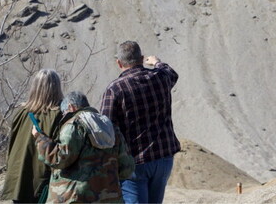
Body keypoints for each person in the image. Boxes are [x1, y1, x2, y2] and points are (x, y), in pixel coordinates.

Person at [101, 41, 180, 204]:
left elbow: (105, 129)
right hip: (163, 157)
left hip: (134, 161)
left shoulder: (115, 89)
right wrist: (157, 62)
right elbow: (171, 73)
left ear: (119, 62)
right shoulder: (160, 77)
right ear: (142, 58)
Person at [32, 91, 135, 203]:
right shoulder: (111, 127)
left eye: (64, 112)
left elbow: (59, 159)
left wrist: (40, 138)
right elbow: (127, 168)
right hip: (110, 198)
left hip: (77, 198)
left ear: (71, 107)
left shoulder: (75, 125)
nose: (64, 115)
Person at [2, 69, 64, 203]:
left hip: (18, 180)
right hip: (42, 185)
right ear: (57, 88)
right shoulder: (59, 115)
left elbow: (12, 146)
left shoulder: (21, 112)